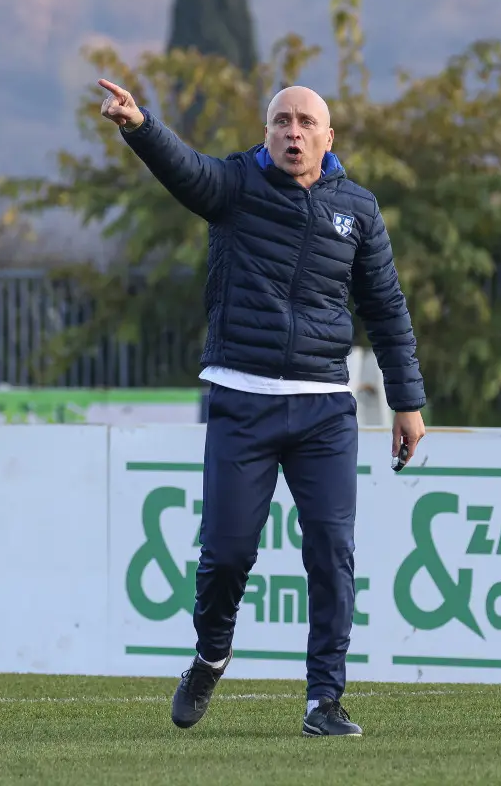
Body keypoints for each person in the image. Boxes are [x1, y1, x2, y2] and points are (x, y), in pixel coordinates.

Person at [97, 78, 427, 737]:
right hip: (241, 400)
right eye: (281, 121)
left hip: (324, 410)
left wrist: (407, 401)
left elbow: (386, 308)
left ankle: (324, 700)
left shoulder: (358, 209)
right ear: (267, 131)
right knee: (225, 555)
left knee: (331, 552)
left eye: (305, 122)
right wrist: (139, 125)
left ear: (328, 138)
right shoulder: (234, 186)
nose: (292, 132)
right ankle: (211, 655)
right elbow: (184, 168)